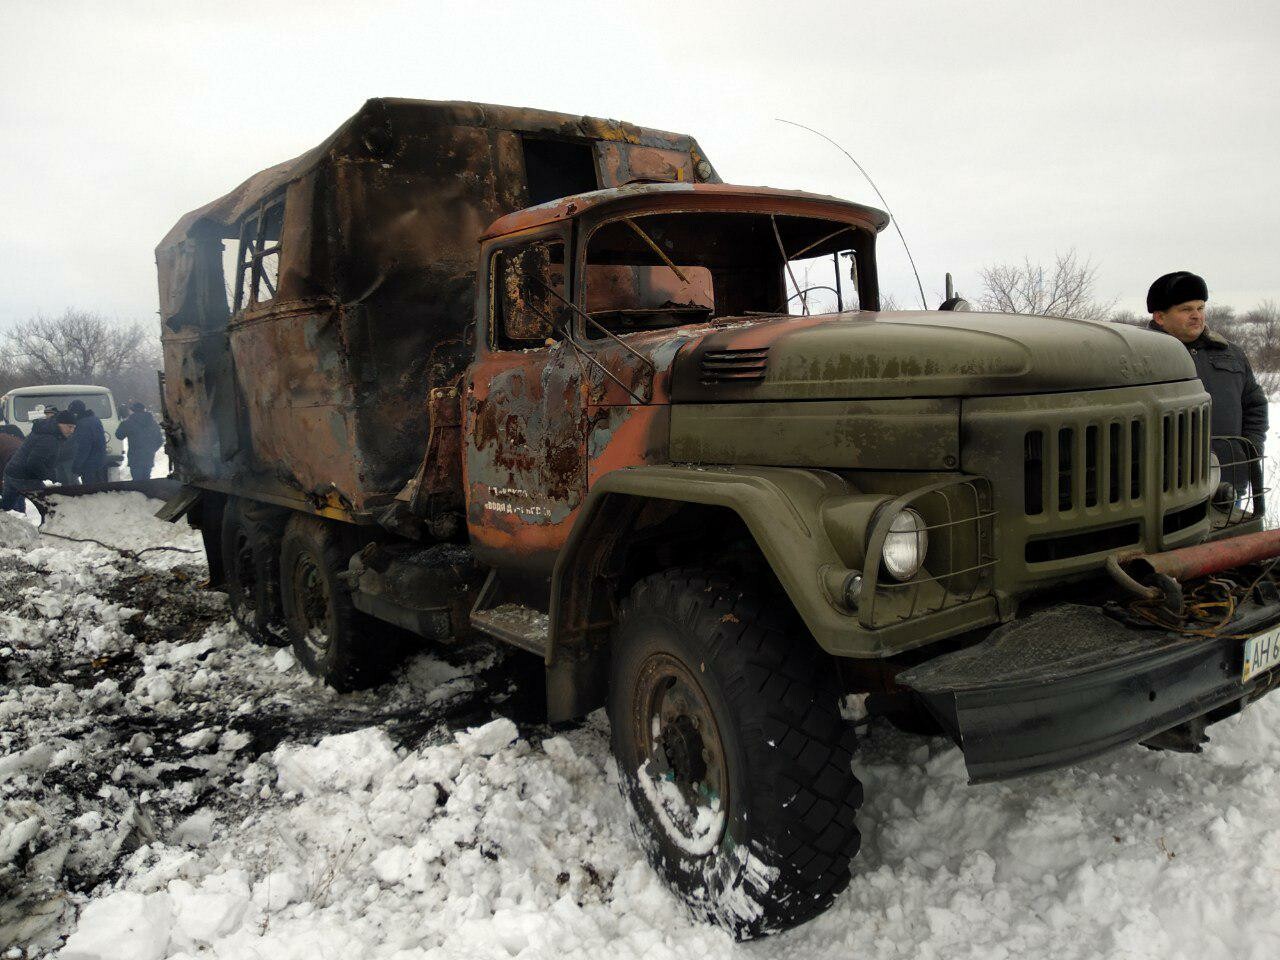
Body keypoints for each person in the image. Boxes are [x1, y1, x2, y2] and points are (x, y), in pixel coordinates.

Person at [1148, 271, 1267, 495]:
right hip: (1165, 490)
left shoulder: (1231, 354)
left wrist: (1249, 450)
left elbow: (1255, 405)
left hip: (1228, 483)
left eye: (1200, 308)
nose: (1196, 315)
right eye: (1186, 309)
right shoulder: (1141, 357)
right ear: (1160, 317)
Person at [1, 411, 77, 512]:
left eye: (74, 428)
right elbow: (34, 463)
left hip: (11, 471)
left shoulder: (45, 430)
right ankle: (52, 526)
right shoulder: (50, 438)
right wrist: (50, 475)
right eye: (69, 426)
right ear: (60, 423)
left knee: (6, 505)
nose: (72, 431)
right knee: (50, 506)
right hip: (23, 477)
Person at [115, 401, 164, 480]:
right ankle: (147, 491)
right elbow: (160, 441)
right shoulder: (153, 423)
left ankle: (139, 492)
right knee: (147, 479)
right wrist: (151, 450)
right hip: (148, 457)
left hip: (135, 457)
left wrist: (123, 424)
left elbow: (119, 435)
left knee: (137, 482)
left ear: (133, 411)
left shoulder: (128, 423)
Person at [67, 399, 108, 485]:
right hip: (100, 459)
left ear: (76, 412)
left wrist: (76, 465)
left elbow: (83, 447)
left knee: (92, 491)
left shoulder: (82, 424)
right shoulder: (95, 419)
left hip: (89, 464)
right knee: (101, 488)